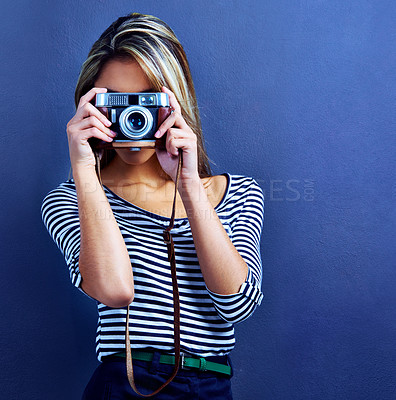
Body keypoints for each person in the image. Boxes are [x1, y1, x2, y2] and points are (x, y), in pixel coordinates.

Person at [41, 12, 264, 400]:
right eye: (115, 102)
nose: (132, 117)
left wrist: (190, 186)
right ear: (89, 104)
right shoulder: (67, 199)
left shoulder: (239, 193)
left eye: (145, 102)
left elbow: (236, 303)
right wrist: (83, 169)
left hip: (211, 385)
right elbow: (115, 290)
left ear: (175, 101)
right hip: (124, 383)